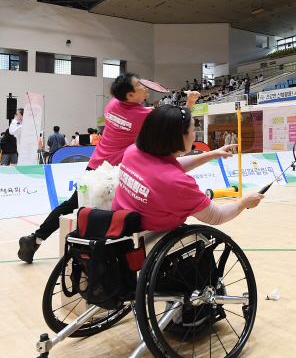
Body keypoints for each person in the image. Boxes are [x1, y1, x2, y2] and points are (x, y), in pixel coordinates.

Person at [17, 72, 200, 263]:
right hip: (116, 172)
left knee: (71, 204)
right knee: (123, 211)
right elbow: (176, 123)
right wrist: (190, 102)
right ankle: (115, 258)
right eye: (140, 85)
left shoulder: (113, 105)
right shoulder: (141, 115)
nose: (145, 87)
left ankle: (35, 238)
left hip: (95, 165)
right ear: (129, 95)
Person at [112, 106, 263, 232]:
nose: (195, 135)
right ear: (178, 137)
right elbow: (217, 216)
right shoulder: (175, 183)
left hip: (121, 225)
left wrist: (212, 154)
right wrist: (245, 202)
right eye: (192, 131)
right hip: (150, 237)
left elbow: (167, 169)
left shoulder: (132, 151)